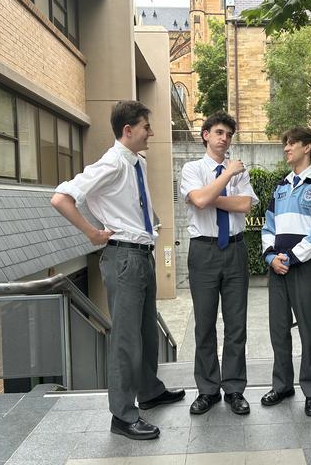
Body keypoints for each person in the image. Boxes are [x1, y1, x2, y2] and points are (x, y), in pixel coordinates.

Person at [51, 100, 185, 440]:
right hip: (124, 258)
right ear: (128, 130)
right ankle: (123, 416)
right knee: (125, 340)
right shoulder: (112, 162)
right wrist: (92, 233)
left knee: (145, 332)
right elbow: (61, 198)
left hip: (140, 255)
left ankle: (150, 391)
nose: (151, 133)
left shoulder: (134, 162)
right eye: (146, 127)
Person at [179, 111, 258, 415]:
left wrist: (210, 195)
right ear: (206, 135)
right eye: (220, 133)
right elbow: (197, 201)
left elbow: (244, 204)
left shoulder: (242, 171)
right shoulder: (193, 168)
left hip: (236, 250)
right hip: (204, 251)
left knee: (236, 325)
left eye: (229, 134)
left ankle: (235, 389)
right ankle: (208, 389)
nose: (225, 139)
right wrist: (225, 176)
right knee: (205, 325)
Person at [260, 127, 311, 417]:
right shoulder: (280, 186)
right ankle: (282, 385)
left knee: (308, 332)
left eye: (292, 143)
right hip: (276, 269)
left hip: (302, 269)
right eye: (285, 143)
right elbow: (268, 227)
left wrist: (289, 258)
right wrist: (269, 257)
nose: (286, 148)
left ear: (308, 148)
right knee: (278, 330)